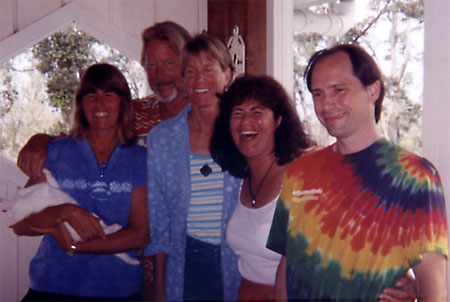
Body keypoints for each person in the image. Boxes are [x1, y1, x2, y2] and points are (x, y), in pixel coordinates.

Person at [267, 44, 448, 301]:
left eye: (339, 90)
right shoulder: (300, 172)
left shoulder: (415, 176)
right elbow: (288, 264)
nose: (326, 104)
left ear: (372, 90)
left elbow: (433, 284)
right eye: (317, 94)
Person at [11, 63, 149, 301]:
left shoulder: (139, 159)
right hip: (53, 288)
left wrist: (77, 247)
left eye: (109, 95)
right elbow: (20, 222)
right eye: (91, 95)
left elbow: (140, 235)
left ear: (123, 103)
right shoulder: (56, 152)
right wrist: (62, 212)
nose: (100, 104)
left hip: (117, 291)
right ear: (81, 104)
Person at [17, 20, 191, 179]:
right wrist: (41, 140)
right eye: (152, 65)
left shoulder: (208, 114)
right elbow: (79, 140)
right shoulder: (131, 113)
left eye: (169, 63)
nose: (160, 75)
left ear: (187, 63)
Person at [144, 32, 240, 301]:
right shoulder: (162, 138)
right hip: (188, 264)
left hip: (241, 262)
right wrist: (160, 287)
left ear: (227, 75)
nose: (200, 80)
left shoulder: (245, 129)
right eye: (191, 71)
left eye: (209, 70)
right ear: (184, 79)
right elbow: (160, 218)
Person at [210, 74, 310, 301]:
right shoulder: (237, 181)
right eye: (238, 113)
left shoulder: (300, 178)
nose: (246, 122)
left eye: (257, 112)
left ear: (278, 120)